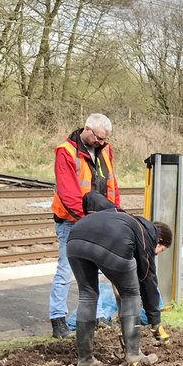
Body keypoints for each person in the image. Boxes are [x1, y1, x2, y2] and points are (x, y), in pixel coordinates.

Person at [66, 201, 171, 366]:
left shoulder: (121, 218)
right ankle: (134, 354)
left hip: (76, 239)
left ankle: (85, 359)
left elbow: (92, 196)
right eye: (161, 250)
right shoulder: (147, 234)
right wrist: (155, 321)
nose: (156, 254)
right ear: (159, 241)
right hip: (110, 243)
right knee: (131, 294)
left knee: (88, 296)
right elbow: (147, 279)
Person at [48, 113, 120, 338]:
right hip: (71, 221)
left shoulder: (105, 150)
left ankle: (97, 315)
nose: (101, 143)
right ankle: (57, 319)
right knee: (65, 271)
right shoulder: (66, 152)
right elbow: (69, 194)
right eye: (98, 138)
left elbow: (111, 185)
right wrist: (87, 218)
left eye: (104, 140)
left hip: (96, 220)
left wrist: (113, 214)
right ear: (87, 129)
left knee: (94, 269)